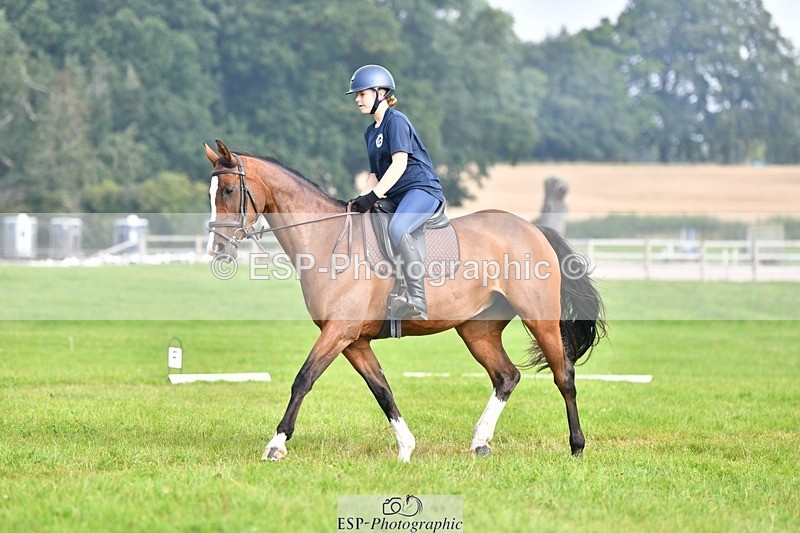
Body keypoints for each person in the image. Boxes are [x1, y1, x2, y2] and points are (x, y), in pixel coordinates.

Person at [346, 64, 445, 321]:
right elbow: (374, 175)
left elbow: (399, 163)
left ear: (380, 93)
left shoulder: (396, 121)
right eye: (356, 95)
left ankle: (418, 300)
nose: (357, 99)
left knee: (397, 228)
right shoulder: (370, 132)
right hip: (396, 194)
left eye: (362, 94)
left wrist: (375, 195)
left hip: (421, 190)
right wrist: (361, 200)